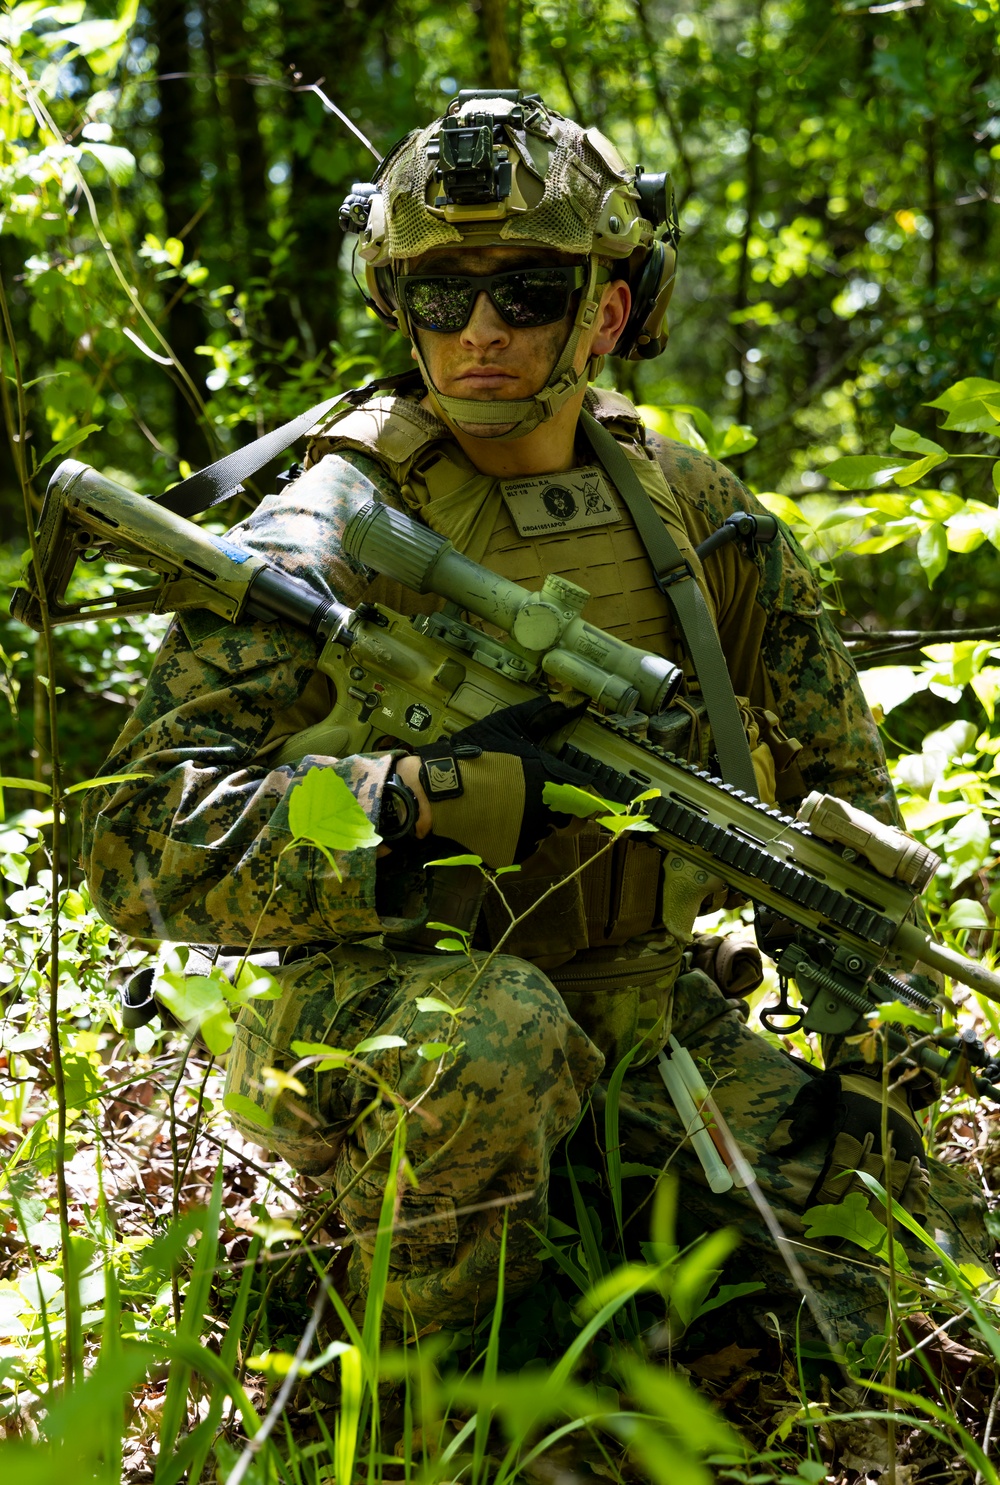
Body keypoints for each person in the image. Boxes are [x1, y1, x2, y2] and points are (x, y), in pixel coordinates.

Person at [82, 88, 989, 1357]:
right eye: (441, 296)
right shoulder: (325, 532)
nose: (479, 332)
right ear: (398, 308)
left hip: (645, 1012)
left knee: (910, 1272)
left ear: (608, 312)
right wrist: (415, 802)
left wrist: (876, 1061)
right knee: (501, 1043)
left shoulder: (690, 513)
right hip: (393, 1027)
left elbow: (837, 816)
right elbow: (134, 844)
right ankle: (420, 1390)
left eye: (529, 293)